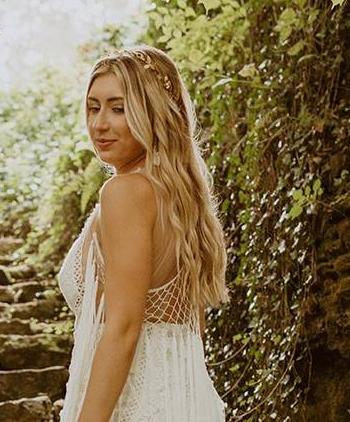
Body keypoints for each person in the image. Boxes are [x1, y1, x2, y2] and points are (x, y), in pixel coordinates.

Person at [56, 45, 229, 421]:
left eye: (118, 108)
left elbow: (123, 327)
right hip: (185, 400)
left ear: (152, 112)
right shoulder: (182, 201)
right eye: (93, 106)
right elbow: (190, 331)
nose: (100, 123)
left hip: (138, 404)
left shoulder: (126, 193)